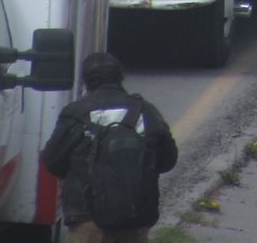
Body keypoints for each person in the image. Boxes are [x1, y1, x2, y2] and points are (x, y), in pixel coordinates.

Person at [41, 52, 179, 243]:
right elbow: (168, 160)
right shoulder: (145, 111)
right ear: (120, 77)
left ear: (86, 81)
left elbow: (52, 161)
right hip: (135, 218)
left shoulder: (76, 114)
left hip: (88, 220)